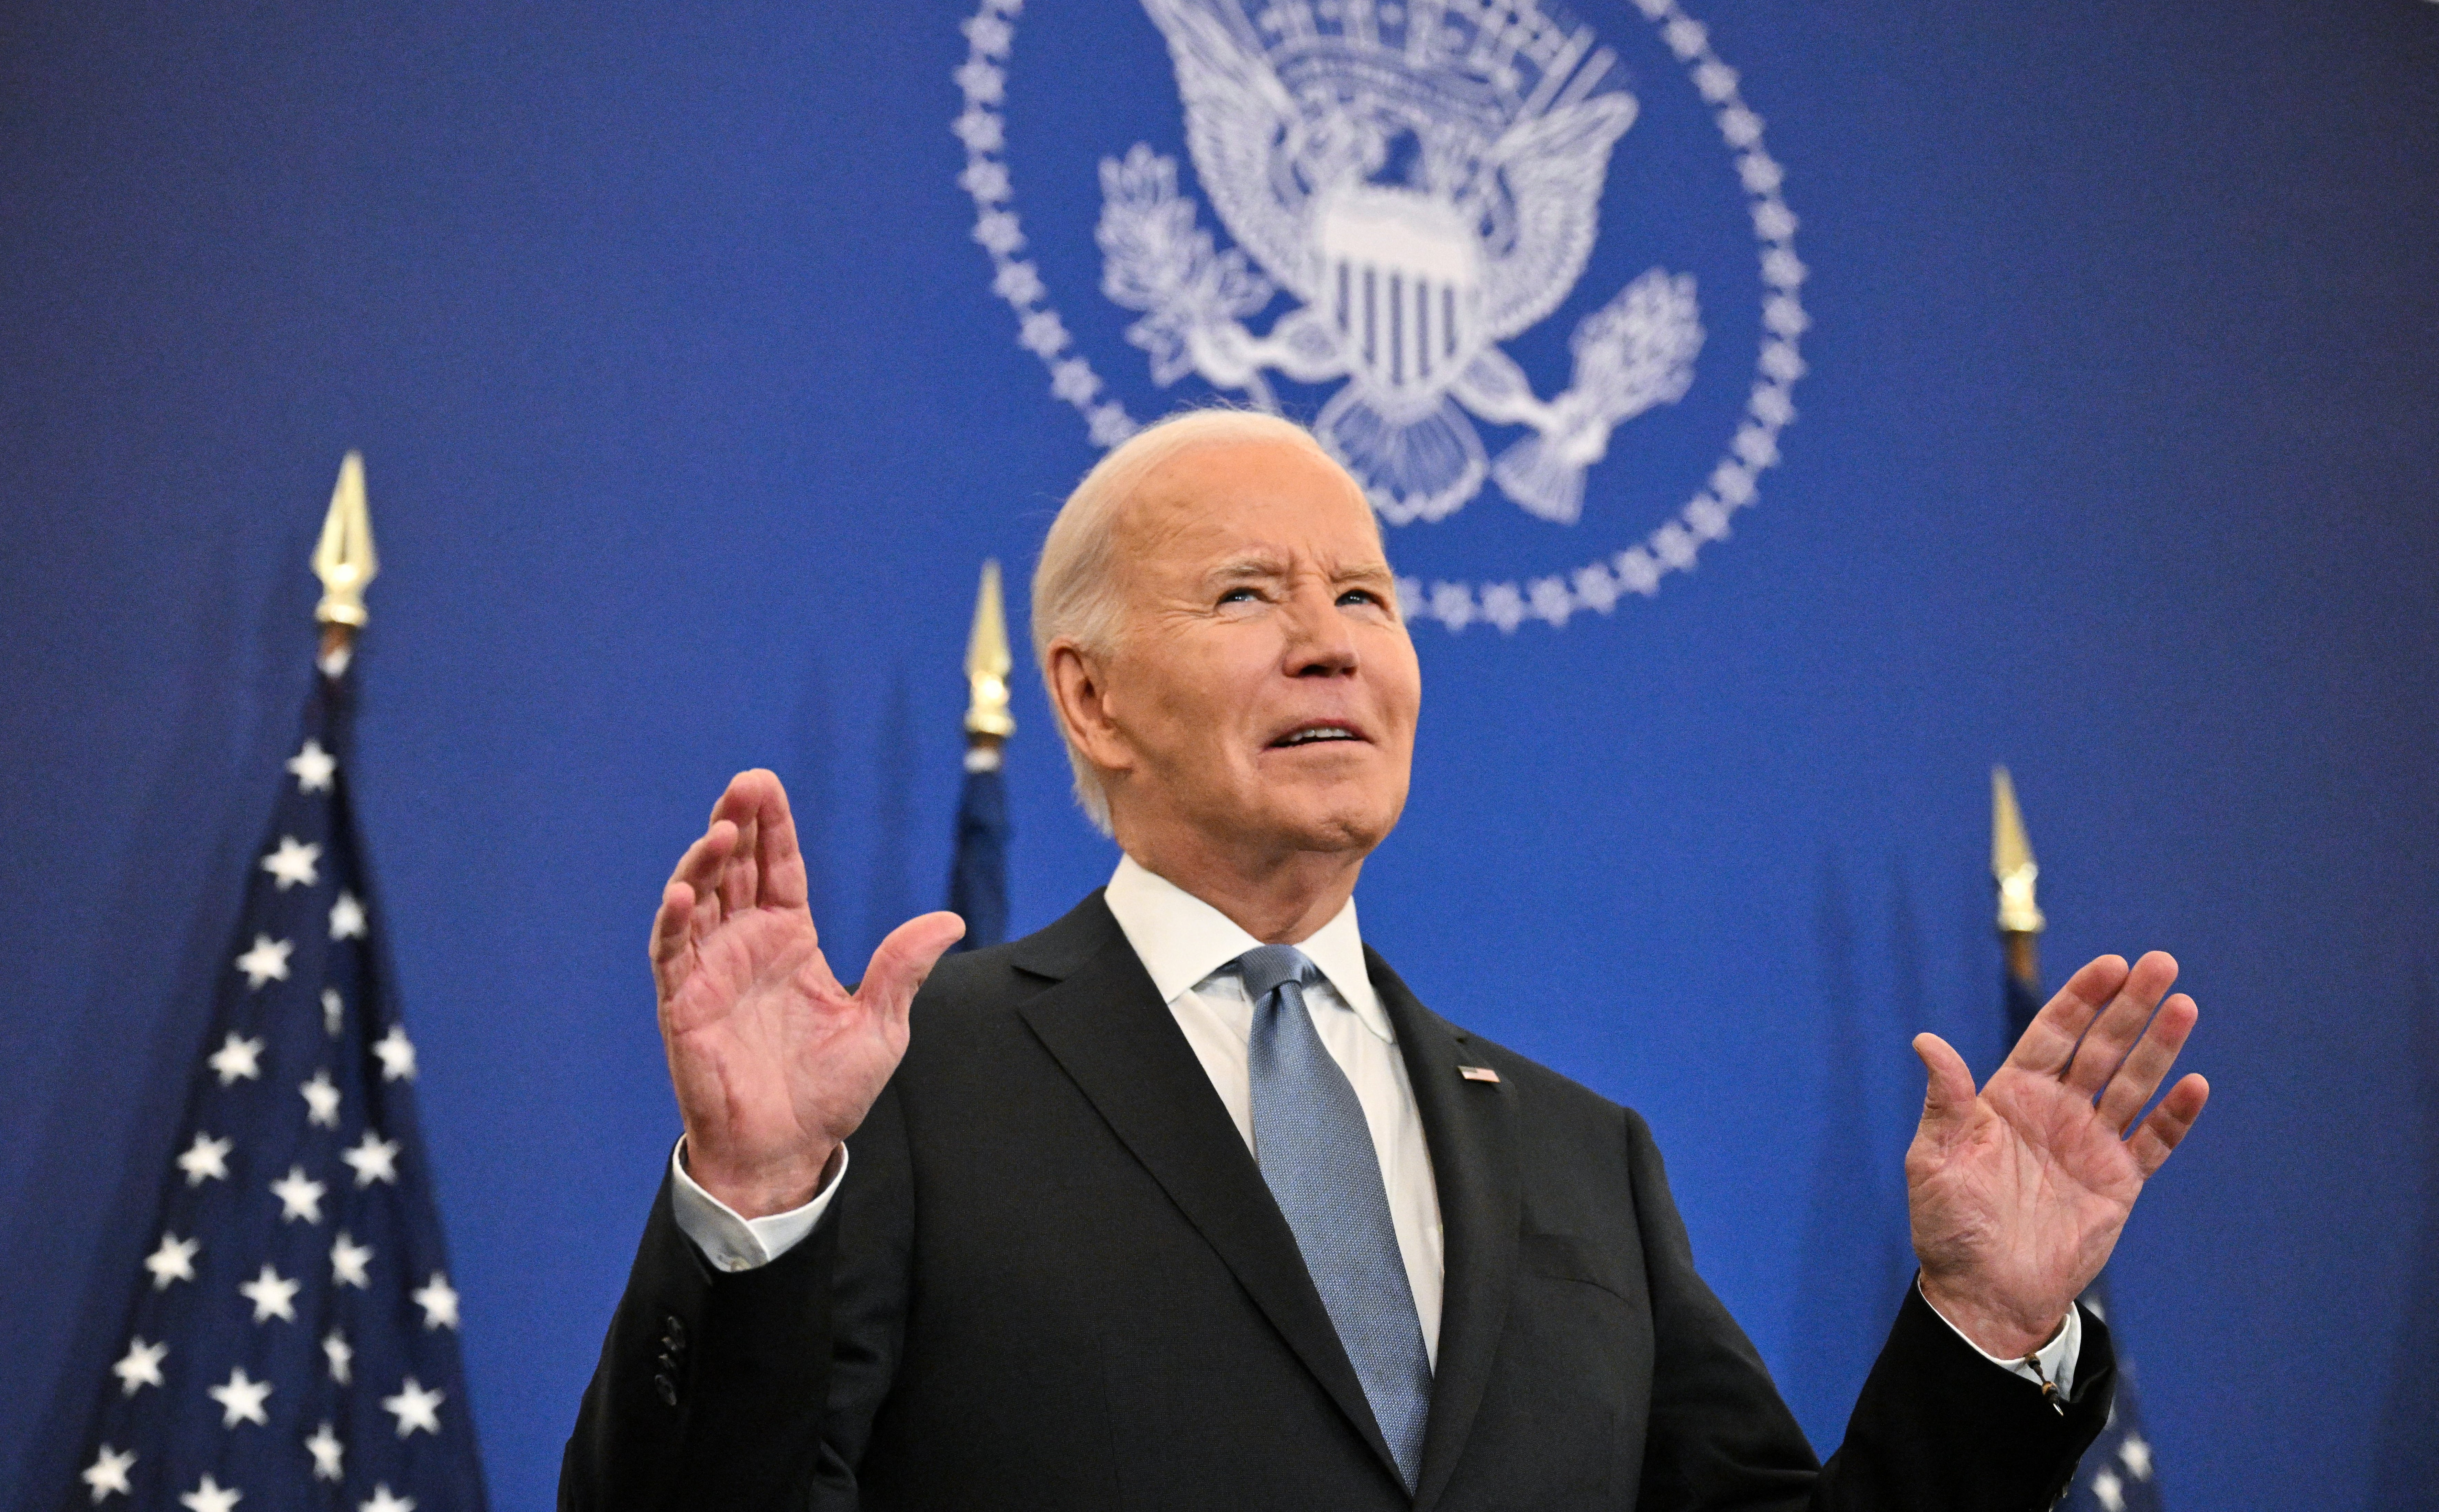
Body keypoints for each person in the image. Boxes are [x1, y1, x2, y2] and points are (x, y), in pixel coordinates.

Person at [561, 410, 2208, 1511]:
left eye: (1364, 593)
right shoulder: (923, 1082)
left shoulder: (1581, 1160)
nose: (1331, 636)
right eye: (1245, 593)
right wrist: (759, 1207)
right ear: (1088, 698)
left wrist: (1989, 1329)